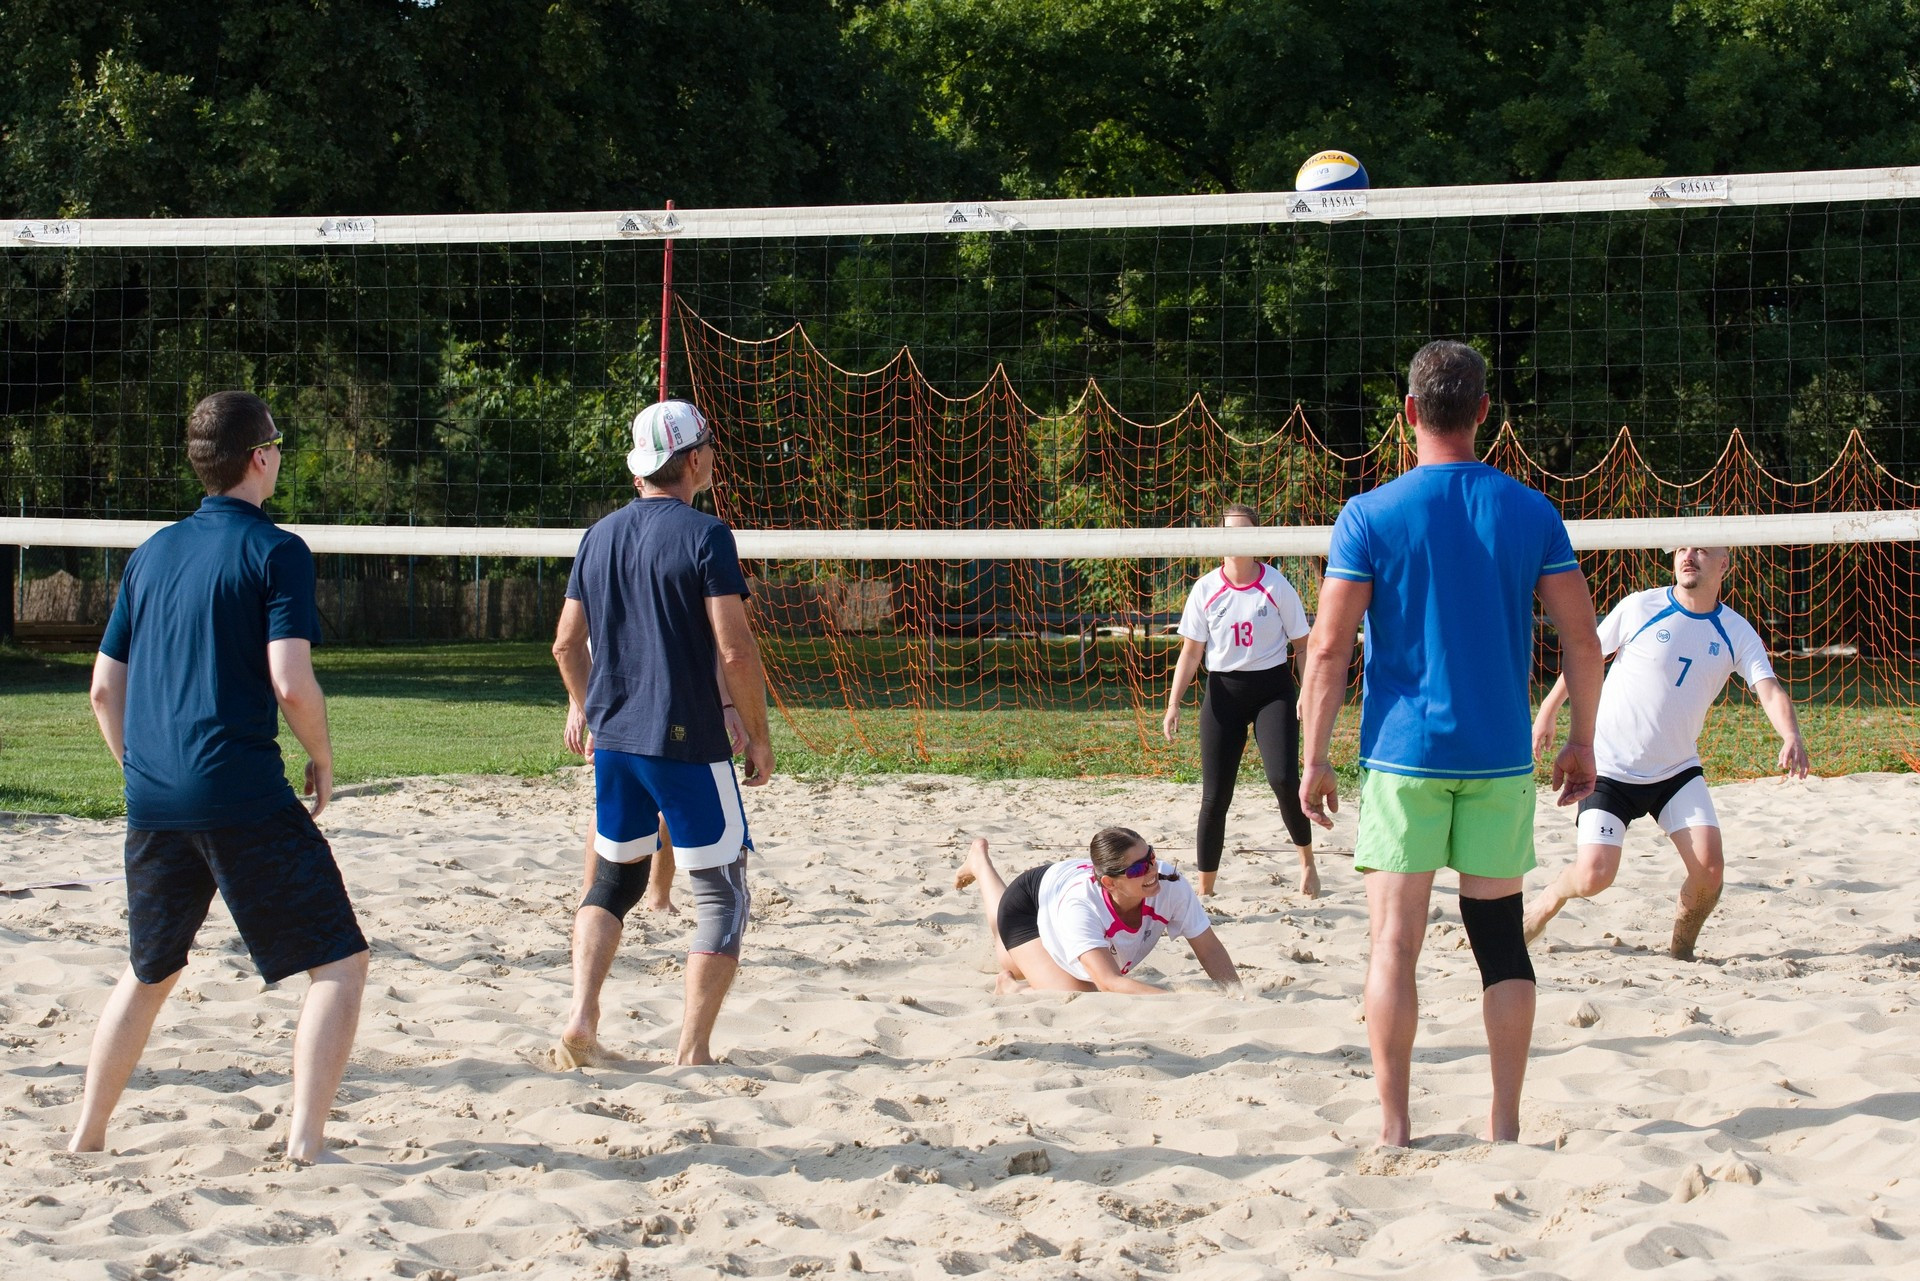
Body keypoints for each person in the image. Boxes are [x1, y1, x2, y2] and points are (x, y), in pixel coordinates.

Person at [1297, 341, 1604, 1148]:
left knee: (1393, 943)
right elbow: (1583, 639)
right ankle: (1504, 1125)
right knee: (1500, 942)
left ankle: (1395, 1127)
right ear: (1483, 413)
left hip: (1405, 759)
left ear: (1408, 412)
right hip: (1499, 757)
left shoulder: (1370, 514)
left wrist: (1314, 756)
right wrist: (1581, 740)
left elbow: (1327, 649)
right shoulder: (1530, 510)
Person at [70, 391, 369, 1163]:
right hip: (239, 790)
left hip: (154, 797)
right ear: (260, 457)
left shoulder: (151, 553)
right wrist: (323, 756)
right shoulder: (277, 550)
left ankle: (87, 1135)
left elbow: (103, 688)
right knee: (340, 959)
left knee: (148, 970)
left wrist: (140, 768)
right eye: (279, 444)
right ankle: (306, 1144)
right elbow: (291, 682)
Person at [552, 398, 774, 1069]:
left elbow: (565, 644)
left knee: (611, 885)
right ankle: (692, 1051)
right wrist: (758, 734)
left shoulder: (597, 535)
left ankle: (582, 1014)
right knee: (723, 896)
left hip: (616, 744)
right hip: (687, 743)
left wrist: (589, 708)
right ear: (695, 459)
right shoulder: (706, 535)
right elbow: (734, 649)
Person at [1526, 546, 1810, 959]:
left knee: (1710, 871)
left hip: (1676, 771)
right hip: (1609, 768)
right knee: (1593, 876)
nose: (1688, 556)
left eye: (1701, 550)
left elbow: (1768, 689)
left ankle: (1682, 951)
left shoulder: (1736, 631)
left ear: (1724, 563)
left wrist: (1791, 735)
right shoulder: (1641, 606)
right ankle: (1549, 898)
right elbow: (1587, 656)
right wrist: (1548, 711)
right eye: (1681, 549)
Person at [1163, 504, 1318, 898]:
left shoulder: (1276, 585)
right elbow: (1191, 653)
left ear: (1256, 537)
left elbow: (1303, 646)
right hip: (1223, 694)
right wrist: (1174, 703)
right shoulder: (1205, 589)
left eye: (1244, 531)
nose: (1236, 539)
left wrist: (1307, 692)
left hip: (1272, 692)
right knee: (1215, 796)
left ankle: (1307, 863)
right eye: (1228, 532)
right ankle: (1206, 891)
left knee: (1283, 779)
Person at [953, 830, 1240, 994]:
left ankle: (980, 864)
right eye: (1138, 869)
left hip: (1064, 885)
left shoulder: (1169, 882)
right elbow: (1109, 982)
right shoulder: (1081, 906)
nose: (1152, 870)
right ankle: (981, 865)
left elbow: (1209, 947)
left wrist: (1235, 993)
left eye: (1151, 856)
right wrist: (1180, 1000)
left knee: (1016, 965)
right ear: (1109, 883)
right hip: (1028, 903)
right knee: (1078, 993)